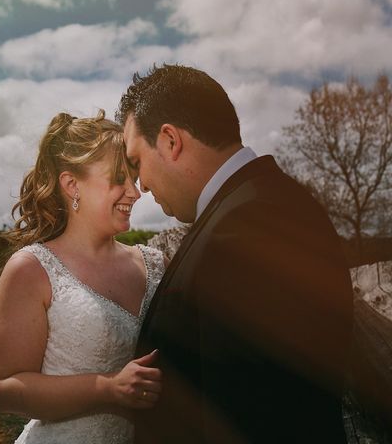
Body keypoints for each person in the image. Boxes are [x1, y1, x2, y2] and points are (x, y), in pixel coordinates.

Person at [118, 64, 354, 444]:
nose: (141, 184)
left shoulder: (248, 224)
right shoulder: (249, 206)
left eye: (136, 162)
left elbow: (254, 412)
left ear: (169, 141)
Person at [0, 110, 168, 443]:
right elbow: (4, 387)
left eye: (133, 176)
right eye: (118, 178)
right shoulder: (31, 269)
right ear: (72, 185)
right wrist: (108, 388)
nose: (135, 192)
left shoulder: (155, 265)